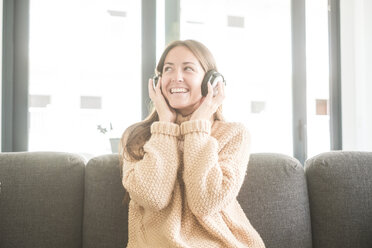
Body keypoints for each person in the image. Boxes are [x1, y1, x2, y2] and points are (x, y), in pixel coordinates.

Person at [120, 39, 265, 248]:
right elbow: (153, 198)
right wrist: (165, 126)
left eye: (188, 69)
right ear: (158, 80)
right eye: (168, 69)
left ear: (212, 81)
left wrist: (198, 126)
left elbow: (205, 203)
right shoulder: (137, 137)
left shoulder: (234, 134)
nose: (176, 78)